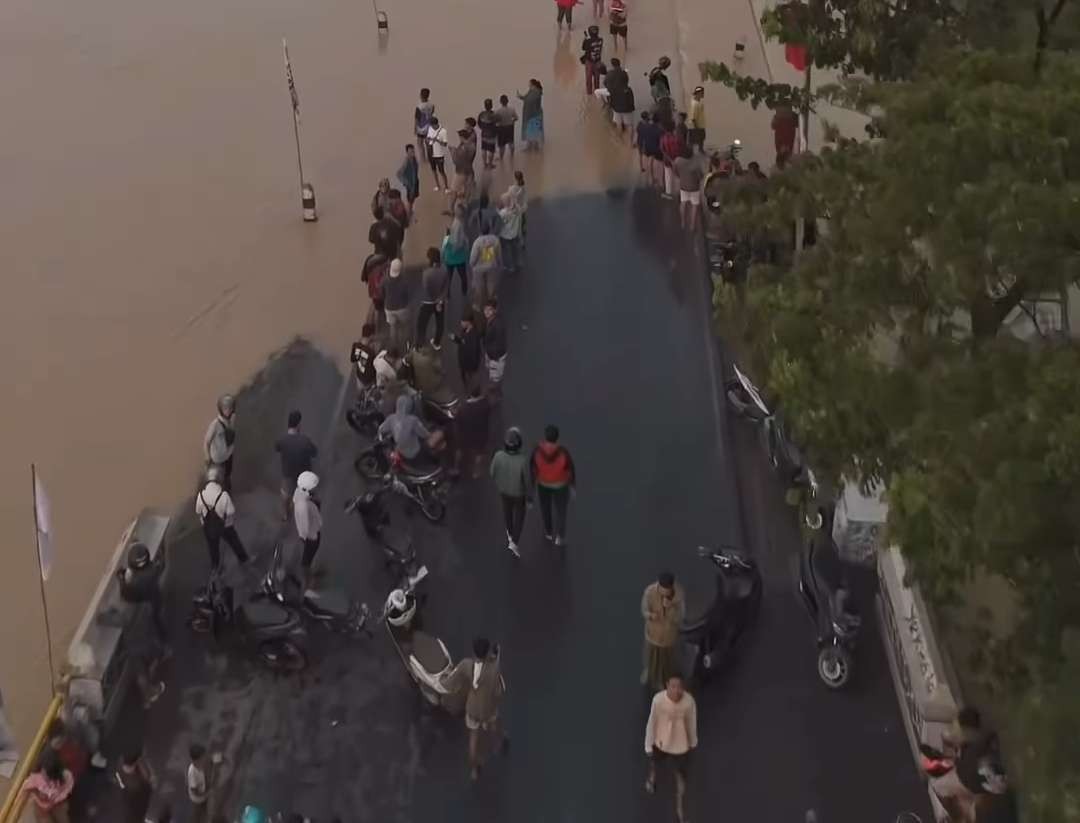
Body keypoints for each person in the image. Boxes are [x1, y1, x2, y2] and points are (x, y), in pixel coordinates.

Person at [451, 637, 508, 782]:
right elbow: (498, 689)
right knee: (495, 724)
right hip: (488, 708)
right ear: (487, 652)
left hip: (473, 710)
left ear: (473, 652)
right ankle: (501, 741)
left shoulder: (466, 665)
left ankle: (475, 770)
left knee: (474, 738)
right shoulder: (493, 668)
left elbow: (451, 682)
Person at [644, 674, 698, 823]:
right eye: (673, 686)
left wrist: (692, 742)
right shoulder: (659, 700)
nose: (676, 690)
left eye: (679, 687)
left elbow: (691, 722)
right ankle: (652, 778)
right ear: (667, 685)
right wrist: (648, 744)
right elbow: (652, 722)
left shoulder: (688, 702)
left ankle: (679, 813)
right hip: (661, 742)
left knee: (681, 780)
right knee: (654, 762)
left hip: (680, 746)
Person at [196, 466, 250, 571]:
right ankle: (244, 560)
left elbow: (198, 511)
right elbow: (231, 511)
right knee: (234, 542)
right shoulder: (223, 495)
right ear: (219, 480)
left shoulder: (201, 495)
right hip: (225, 526)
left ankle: (215, 568)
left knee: (213, 548)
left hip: (208, 527)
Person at [530, 425, 576, 546]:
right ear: (557, 437)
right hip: (560, 485)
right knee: (561, 511)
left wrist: (531, 488)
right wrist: (572, 486)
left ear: (546, 437)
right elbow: (570, 468)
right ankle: (560, 537)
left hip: (543, 484)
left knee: (546, 508)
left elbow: (532, 469)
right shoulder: (563, 451)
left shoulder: (537, 450)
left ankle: (548, 532)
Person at [490, 427, 531, 556]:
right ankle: (514, 542)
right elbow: (527, 481)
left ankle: (509, 533)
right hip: (519, 494)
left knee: (507, 511)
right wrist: (530, 498)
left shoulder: (498, 456)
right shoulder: (523, 460)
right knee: (519, 517)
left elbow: (492, 473)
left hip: (504, 491)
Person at [641, 571, 685, 689]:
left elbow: (680, 617)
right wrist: (650, 615)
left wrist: (670, 608)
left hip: (668, 636)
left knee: (666, 661)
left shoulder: (678, 596)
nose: (664, 593)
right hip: (653, 633)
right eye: (662, 589)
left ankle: (662, 679)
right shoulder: (649, 592)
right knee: (651, 656)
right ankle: (648, 671)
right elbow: (644, 608)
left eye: (667, 590)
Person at [275, 410, 317, 521]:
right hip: (304, 474)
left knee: (285, 494)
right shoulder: (305, 440)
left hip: (288, 473)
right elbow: (314, 453)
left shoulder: (282, 440)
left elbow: (277, 448)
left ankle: (285, 513)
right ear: (298, 424)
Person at [379, 395, 444, 463]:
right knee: (438, 436)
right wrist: (432, 435)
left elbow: (381, 429)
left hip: (401, 452)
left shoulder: (391, 418)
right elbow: (424, 434)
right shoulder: (412, 420)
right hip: (415, 452)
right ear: (409, 406)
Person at [21, 750, 74, 823]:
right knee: (44, 819)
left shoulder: (66, 775)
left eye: (50, 776)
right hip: (42, 807)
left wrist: (56, 800)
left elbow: (67, 788)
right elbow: (25, 791)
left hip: (58, 803)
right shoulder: (35, 779)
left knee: (62, 817)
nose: (47, 778)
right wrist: (37, 799)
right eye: (45, 774)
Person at [454, 386, 491, 478]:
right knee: (479, 453)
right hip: (480, 434)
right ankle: (476, 471)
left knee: (459, 451)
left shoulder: (463, 408)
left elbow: (458, 422)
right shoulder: (485, 405)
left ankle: (456, 468)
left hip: (465, 434)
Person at [417, 247, 448, 349]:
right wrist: (439, 300)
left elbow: (426, 289)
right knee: (440, 323)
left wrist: (433, 299)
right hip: (440, 302)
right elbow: (446, 286)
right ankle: (436, 342)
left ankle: (420, 344)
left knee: (421, 324)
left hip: (428, 302)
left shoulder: (426, 273)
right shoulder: (444, 270)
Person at [203, 394, 236, 489]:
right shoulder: (215, 424)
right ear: (221, 409)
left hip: (228, 458)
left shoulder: (231, 421)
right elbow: (206, 442)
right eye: (225, 408)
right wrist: (207, 458)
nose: (228, 411)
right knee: (216, 486)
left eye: (230, 408)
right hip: (216, 461)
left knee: (227, 482)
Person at [293, 471, 323, 574]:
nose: (317, 488)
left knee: (310, 555)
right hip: (311, 536)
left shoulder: (301, 494)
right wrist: (313, 537)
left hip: (313, 530)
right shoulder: (303, 506)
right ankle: (308, 579)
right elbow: (305, 528)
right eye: (314, 487)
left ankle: (310, 571)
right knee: (307, 558)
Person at [115, 747, 155, 823]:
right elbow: (148, 778)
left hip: (134, 794)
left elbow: (148, 778)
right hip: (136, 795)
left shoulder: (120, 766)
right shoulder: (123, 769)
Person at [450, 311, 483, 394]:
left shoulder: (473, 336)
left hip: (469, 365)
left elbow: (474, 354)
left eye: (463, 321)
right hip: (463, 362)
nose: (461, 323)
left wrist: (472, 367)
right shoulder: (464, 330)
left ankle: (472, 393)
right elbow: (462, 341)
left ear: (469, 322)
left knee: (471, 380)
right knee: (464, 376)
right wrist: (456, 339)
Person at [674, 147, 705, 232]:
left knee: (683, 203)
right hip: (694, 187)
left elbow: (675, 172)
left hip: (683, 186)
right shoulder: (695, 164)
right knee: (694, 206)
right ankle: (692, 225)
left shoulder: (678, 161)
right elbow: (701, 176)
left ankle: (683, 222)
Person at [442, 205, 470, 299]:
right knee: (463, 276)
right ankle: (464, 291)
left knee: (449, 277)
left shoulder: (458, 225)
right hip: (459, 257)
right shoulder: (460, 222)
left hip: (453, 256)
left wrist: (448, 236)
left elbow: (458, 242)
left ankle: (447, 294)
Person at [481, 298, 507, 398]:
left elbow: (500, 345)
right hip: (491, 354)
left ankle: (495, 395)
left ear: (495, 310)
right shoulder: (490, 321)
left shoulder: (498, 326)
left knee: (495, 379)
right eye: (485, 309)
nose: (486, 312)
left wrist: (492, 356)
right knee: (491, 375)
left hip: (496, 357)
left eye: (490, 310)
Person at [470, 229, 503, 308]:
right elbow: (499, 253)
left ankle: (478, 304)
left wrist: (472, 264)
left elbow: (473, 257)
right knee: (491, 283)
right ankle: (491, 300)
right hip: (491, 265)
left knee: (478, 286)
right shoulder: (495, 240)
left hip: (479, 268)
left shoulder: (477, 242)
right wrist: (499, 263)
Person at [383, 258, 411, 351]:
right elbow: (407, 294)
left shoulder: (385, 280)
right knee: (405, 325)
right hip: (402, 308)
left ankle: (394, 347)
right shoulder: (404, 281)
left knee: (392, 327)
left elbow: (381, 291)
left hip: (389, 308)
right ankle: (406, 343)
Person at [450, 128, 477, 212]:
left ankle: (451, 210)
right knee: (468, 191)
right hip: (470, 170)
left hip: (460, 172)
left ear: (461, 137)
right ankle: (466, 207)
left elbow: (456, 161)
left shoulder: (463, 147)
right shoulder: (472, 146)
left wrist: (453, 152)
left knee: (454, 191)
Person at [605, 58, 634, 133]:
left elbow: (606, 84)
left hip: (616, 102)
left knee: (618, 124)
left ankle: (620, 140)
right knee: (629, 125)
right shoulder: (624, 73)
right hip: (626, 103)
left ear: (612, 65)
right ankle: (629, 143)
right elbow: (627, 81)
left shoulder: (609, 74)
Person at [361, 252, 389, 331]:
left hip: (374, 295)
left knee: (375, 312)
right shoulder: (382, 268)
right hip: (379, 296)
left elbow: (364, 278)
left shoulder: (370, 264)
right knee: (379, 314)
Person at [634, 111, 662, 186]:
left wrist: (635, 142)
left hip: (640, 142)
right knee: (650, 161)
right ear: (647, 118)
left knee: (641, 156)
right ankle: (651, 176)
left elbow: (637, 132)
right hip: (647, 144)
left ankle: (641, 168)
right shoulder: (648, 126)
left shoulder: (639, 124)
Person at [498, 193, 523, 274]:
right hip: (515, 233)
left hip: (505, 235)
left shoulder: (503, 213)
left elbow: (499, 222)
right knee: (515, 249)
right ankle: (518, 263)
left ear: (504, 202)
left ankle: (510, 266)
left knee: (506, 251)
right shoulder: (517, 208)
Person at [660, 121, 685, 200]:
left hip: (667, 161)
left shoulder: (663, 138)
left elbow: (662, 149)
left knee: (668, 177)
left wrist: (670, 160)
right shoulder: (678, 138)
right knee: (678, 177)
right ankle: (679, 193)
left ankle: (668, 193)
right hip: (678, 160)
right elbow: (682, 148)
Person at [425, 115, 450, 192]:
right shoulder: (430, 129)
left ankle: (446, 187)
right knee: (433, 170)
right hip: (431, 153)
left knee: (442, 171)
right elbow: (427, 139)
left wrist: (438, 140)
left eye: (431, 125)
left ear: (435, 124)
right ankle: (437, 185)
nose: (431, 126)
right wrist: (428, 139)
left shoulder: (443, 131)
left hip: (439, 154)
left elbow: (445, 144)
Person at [519, 80, 544, 150]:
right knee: (529, 130)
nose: (528, 85)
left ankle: (535, 147)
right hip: (530, 113)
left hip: (535, 113)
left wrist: (525, 99)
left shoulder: (537, 92)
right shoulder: (531, 91)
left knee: (535, 130)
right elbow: (526, 98)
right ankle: (529, 146)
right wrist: (520, 96)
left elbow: (531, 100)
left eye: (529, 83)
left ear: (533, 84)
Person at [351, 323, 379, 389]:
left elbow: (353, 361)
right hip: (369, 379)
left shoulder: (355, 345)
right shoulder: (372, 351)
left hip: (360, 378)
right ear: (372, 335)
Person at [186, 744, 209, 822]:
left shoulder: (201, 765)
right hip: (198, 799)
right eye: (203, 757)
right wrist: (206, 794)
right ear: (196, 760)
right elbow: (194, 791)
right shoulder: (192, 772)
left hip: (204, 793)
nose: (205, 759)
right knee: (198, 814)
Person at [771, 102, 798, 166]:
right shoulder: (791, 118)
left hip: (784, 142)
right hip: (785, 141)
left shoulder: (779, 119)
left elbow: (773, 126)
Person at [414, 88, 435, 163]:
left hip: (421, 128)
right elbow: (432, 114)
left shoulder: (419, 107)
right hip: (429, 127)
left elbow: (417, 118)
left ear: (421, 95)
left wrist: (415, 129)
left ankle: (423, 159)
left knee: (420, 144)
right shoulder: (432, 105)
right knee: (428, 144)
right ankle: (431, 158)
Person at [495, 95, 518, 162]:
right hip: (510, 127)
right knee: (511, 142)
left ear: (500, 102)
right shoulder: (512, 109)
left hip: (501, 128)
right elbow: (516, 118)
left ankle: (501, 158)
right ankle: (512, 156)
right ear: (507, 101)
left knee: (502, 145)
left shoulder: (498, 111)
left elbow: (496, 121)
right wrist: (512, 121)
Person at [581, 25, 604, 95]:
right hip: (598, 61)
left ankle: (589, 94)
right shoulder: (601, 40)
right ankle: (597, 93)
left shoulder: (588, 41)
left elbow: (583, 48)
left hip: (589, 62)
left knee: (589, 79)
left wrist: (585, 39)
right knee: (597, 79)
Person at [477, 99, 499, 169]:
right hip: (492, 134)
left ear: (485, 106)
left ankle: (484, 164)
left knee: (484, 149)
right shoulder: (494, 114)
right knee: (491, 150)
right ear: (491, 106)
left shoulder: (481, 114)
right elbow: (497, 124)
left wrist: (483, 129)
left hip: (484, 134)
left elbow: (479, 123)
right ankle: (490, 164)